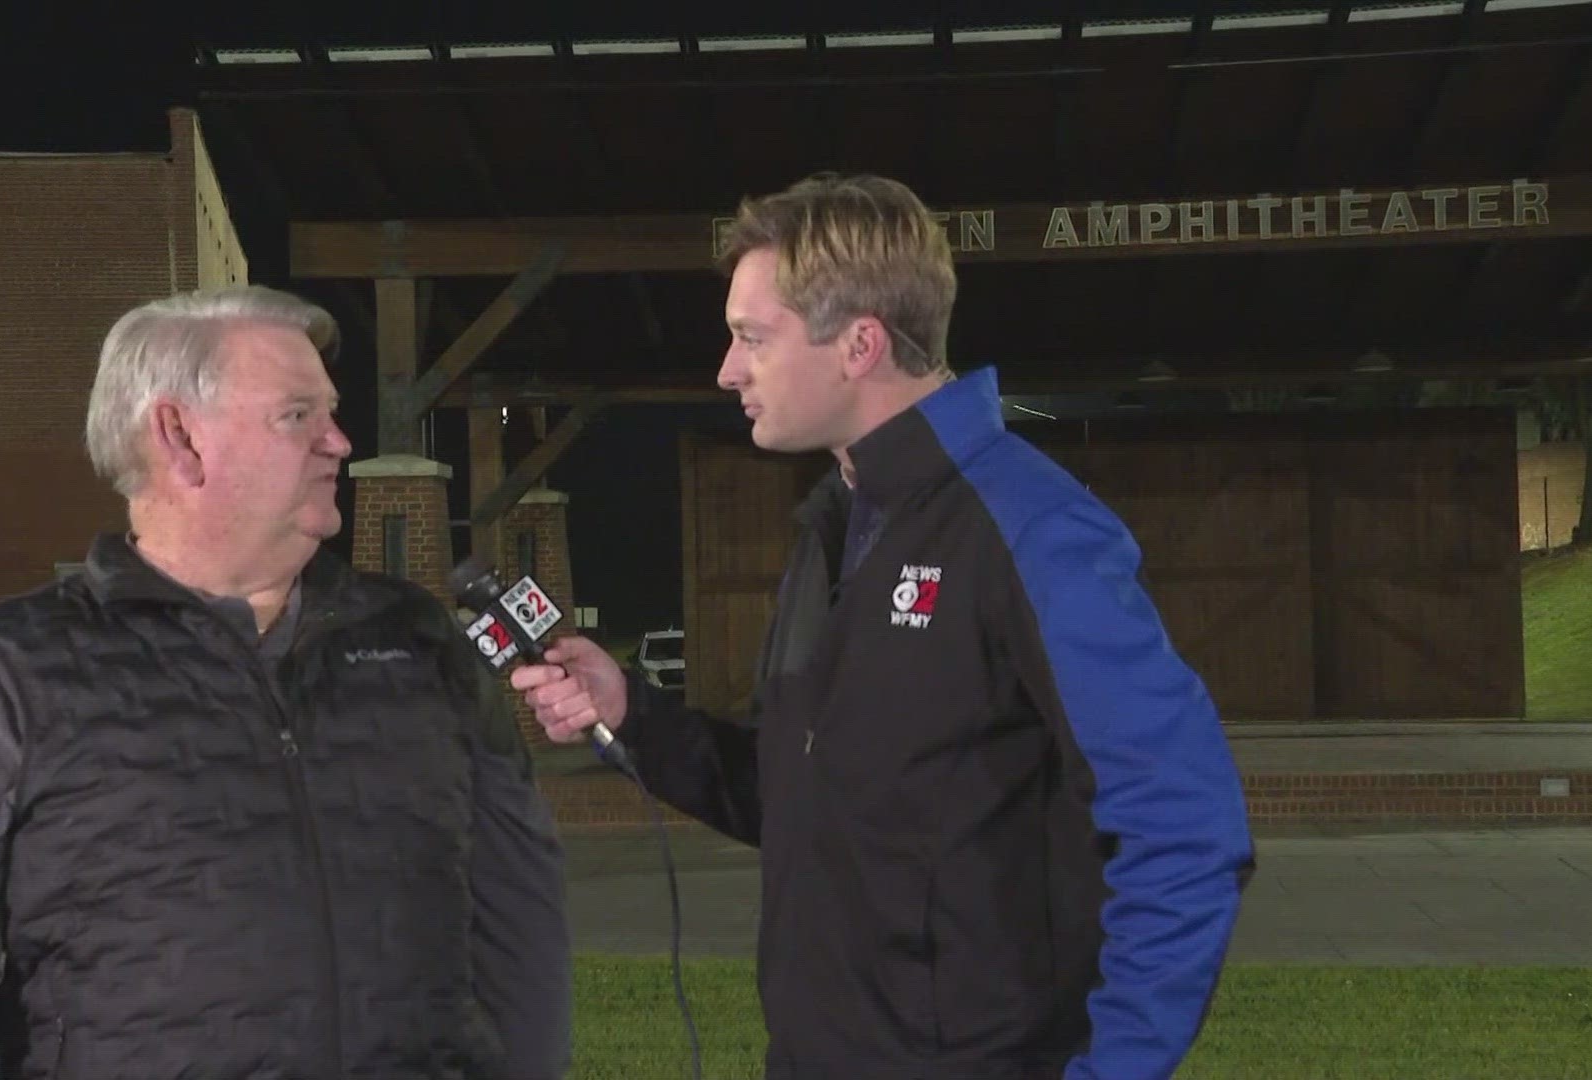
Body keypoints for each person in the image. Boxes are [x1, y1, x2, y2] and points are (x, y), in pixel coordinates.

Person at [512, 174, 1254, 1080]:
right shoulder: (832, 530)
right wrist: (633, 714)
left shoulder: (1032, 528)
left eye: (752, 338)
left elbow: (1185, 829)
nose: (727, 370)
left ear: (859, 344)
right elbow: (807, 796)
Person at [0, 285, 571, 1080]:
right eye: (297, 415)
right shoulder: (5, 676)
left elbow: (522, 920)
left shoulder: (420, 642)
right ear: (178, 436)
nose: (338, 441)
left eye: (329, 412)